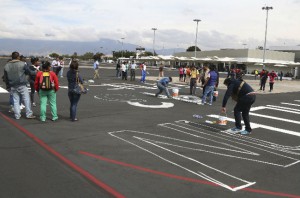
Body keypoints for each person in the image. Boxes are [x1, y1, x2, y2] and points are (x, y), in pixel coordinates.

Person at [3, 51, 36, 119]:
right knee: (26, 99)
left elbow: (5, 78)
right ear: (18, 57)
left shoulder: (6, 65)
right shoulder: (22, 64)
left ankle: (17, 115)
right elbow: (29, 72)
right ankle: (28, 114)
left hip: (12, 85)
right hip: (22, 84)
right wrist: (37, 72)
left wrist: (8, 86)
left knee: (16, 101)